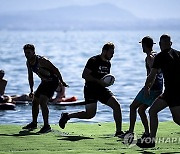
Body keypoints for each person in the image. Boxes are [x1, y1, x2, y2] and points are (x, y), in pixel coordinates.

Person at [59, 42, 124, 136]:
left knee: (116, 106)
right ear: (104, 51)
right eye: (111, 53)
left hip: (101, 89)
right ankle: (67, 116)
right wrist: (99, 81)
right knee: (90, 115)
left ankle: (118, 132)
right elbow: (84, 75)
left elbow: (105, 78)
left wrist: (107, 83)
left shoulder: (108, 63)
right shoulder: (93, 60)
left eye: (113, 53)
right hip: (90, 89)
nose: (112, 55)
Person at [137, 34, 180, 148]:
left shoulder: (159, 56)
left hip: (173, 93)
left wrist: (147, 87)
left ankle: (151, 140)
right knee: (154, 112)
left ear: (160, 44)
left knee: (174, 117)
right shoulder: (178, 54)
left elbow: (152, 74)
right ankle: (151, 140)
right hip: (169, 93)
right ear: (170, 44)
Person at [120, 36, 163, 140]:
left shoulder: (150, 57)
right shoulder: (157, 55)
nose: (142, 48)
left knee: (132, 107)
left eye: (142, 45)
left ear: (144, 45)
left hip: (152, 88)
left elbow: (154, 74)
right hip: (159, 87)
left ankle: (130, 132)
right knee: (141, 110)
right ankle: (147, 133)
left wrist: (147, 87)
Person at [22, 44, 68, 133]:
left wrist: (62, 81)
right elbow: (30, 76)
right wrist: (31, 90)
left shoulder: (42, 60)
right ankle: (34, 123)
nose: (26, 55)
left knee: (43, 101)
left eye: (28, 53)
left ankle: (46, 126)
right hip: (44, 82)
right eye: (25, 53)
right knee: (35, 101)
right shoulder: (28, 62)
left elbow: (56, 69)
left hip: (53, 82)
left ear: (34, 52)